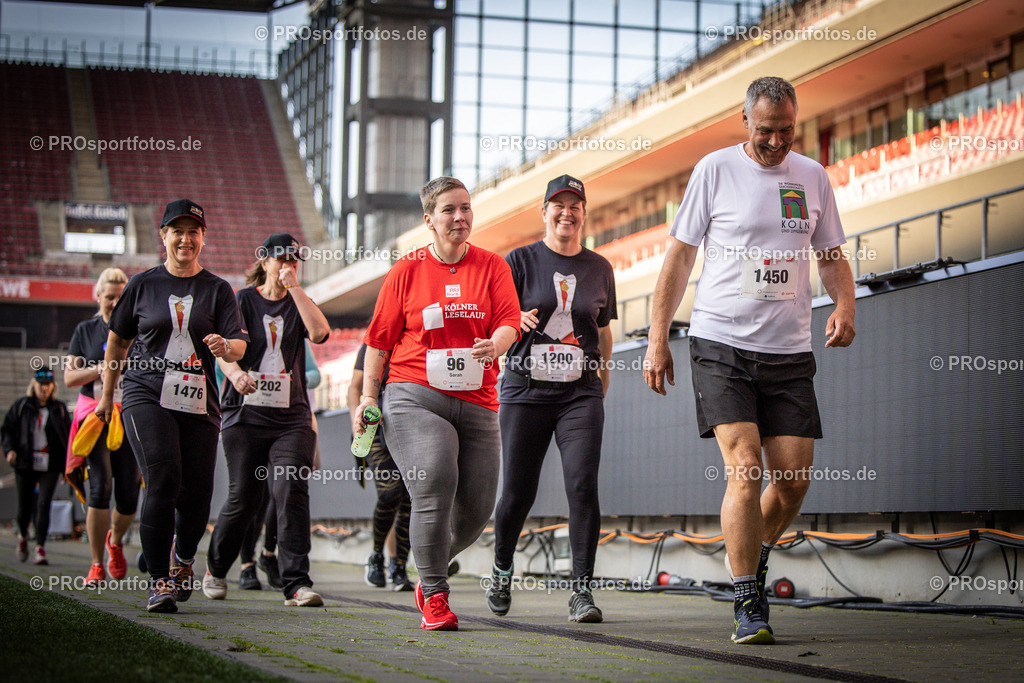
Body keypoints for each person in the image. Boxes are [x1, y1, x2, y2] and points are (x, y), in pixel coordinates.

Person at [642, 77, 856, 644]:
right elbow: (679, 260)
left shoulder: (812, 176)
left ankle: (752, 556)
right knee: (746, 468)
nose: (776, 141)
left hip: (788, 351)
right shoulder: (714, 170)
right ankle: (746, 600)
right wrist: (659, 336)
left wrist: (844, 306)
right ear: (746, 122)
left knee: (791, 482)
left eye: (787, 130)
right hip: (721, 344)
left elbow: (831, 255)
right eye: (766, 131)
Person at [353, 176, 521, 630]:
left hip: (480, 399)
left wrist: (498, 344)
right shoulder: (406, 271)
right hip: (413, 395)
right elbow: (379, 342)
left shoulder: (493, 267)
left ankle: (426, 566)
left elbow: (510, 322)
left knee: (476, 509)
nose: (460, 217)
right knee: (435, 477)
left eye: (466, 208)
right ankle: (435, 593)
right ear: (429, 220)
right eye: (449, 210)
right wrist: (368, 399)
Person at [95, 198, 248, 613]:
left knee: (197, 494)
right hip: (145, 392)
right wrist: (108, 395)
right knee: (164, 476)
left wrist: (225, 346)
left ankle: (183, 560)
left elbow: (238, 344)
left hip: (198, 398)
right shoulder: (143, 285)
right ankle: (160, 579)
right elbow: (118, 340)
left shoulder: (217, 290)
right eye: (176, 231)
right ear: (163, 237)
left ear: (203, 237)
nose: (185, 239)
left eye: (193, 231)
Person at [486, 174, 616, 623]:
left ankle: (582, 591)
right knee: (518, 492)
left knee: (582, 486)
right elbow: (493, 321)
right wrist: (512, 317)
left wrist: (600, 381)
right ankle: (502, 569)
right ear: (543, 212)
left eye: (575, 205)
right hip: (525, 390)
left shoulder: (600, 267)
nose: (567, 213)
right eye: (557, 205)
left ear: (584, 212)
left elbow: (603, 331)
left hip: (580, 393)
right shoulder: (518, 262)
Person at [202, 233, 330, 608]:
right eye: (281, 259)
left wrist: (296, 289)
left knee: (291, 490)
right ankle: (216, 568)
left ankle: (296, 583)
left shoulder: (297, 300)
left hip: (291, 416)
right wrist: (235, 372)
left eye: (294, 259)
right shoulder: (242, 300)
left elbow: (320, 333)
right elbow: (221, 350)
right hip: (245, 414)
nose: (288, 265)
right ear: (264, 262)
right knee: (244, 497)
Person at [64, 268, 141, 585]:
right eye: (109, 297)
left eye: (121, 297)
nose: (114, 302)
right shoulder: (86, 330)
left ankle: (115, 541)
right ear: (98, 297)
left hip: (131, 415)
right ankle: (96, 564)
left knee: (127, 495)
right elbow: (69, 378)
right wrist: (104, 367)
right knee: (100, 488)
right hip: (96, 417)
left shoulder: (140, 329)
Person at [348, 342, 413, 591]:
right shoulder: (374, 341)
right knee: (390, 493)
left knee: (409, 498)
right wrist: (357, 425)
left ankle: (399, 566)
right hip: (373, 429)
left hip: (408, 425)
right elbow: (354, 387)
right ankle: (376, 556)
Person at [3, 368, 71, 565]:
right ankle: (23, 536)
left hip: (50, 464)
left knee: (44, 504)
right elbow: (7, 429)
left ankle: (40, 547)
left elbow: (66, 438)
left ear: (53, 386)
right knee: (25, 505)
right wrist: (10, 450)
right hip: (25, 462)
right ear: (34, 385)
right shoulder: (22, 406)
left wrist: (68, 466)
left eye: (48, 385)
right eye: (41, 385)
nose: (44, 388)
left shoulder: (58, 408)